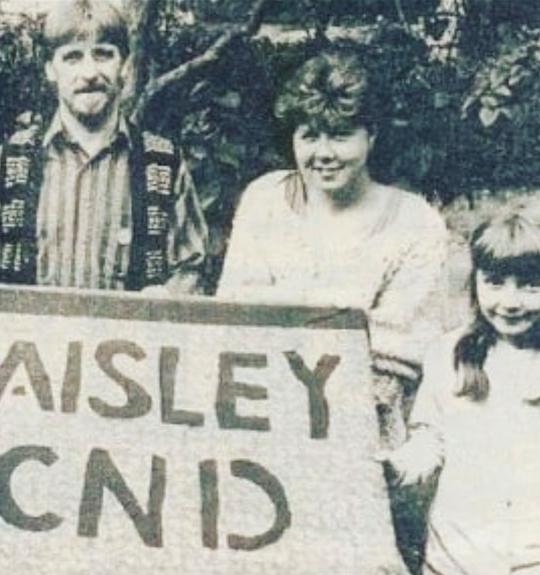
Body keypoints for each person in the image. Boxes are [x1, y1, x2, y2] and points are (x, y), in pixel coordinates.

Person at [215, 44, 448, 572]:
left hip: (363, 442)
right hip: (258, 430)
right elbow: (232, 317)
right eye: (309, 134)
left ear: (372, 137)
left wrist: (292, 318)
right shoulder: (265, 200)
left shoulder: (415, 225)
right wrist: (343, 314)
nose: (323, 152)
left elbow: (397, 358)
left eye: (341, 134)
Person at [0, 0, 207, 294]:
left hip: (125, 339)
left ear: (125, 66)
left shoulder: (163, 163)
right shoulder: (11, 162)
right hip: (31, 339)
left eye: (103, 55)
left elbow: (192, 270)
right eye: (72, 57)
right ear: (50, 70)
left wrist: (168, 295)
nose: (89, 73)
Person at [385, 209, 540, 574]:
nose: (509, 301)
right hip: (456, 561)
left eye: (531, 285)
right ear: (474, 281)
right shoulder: (450, 353)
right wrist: (400, 464)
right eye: (493, 281)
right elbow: (431, 439)